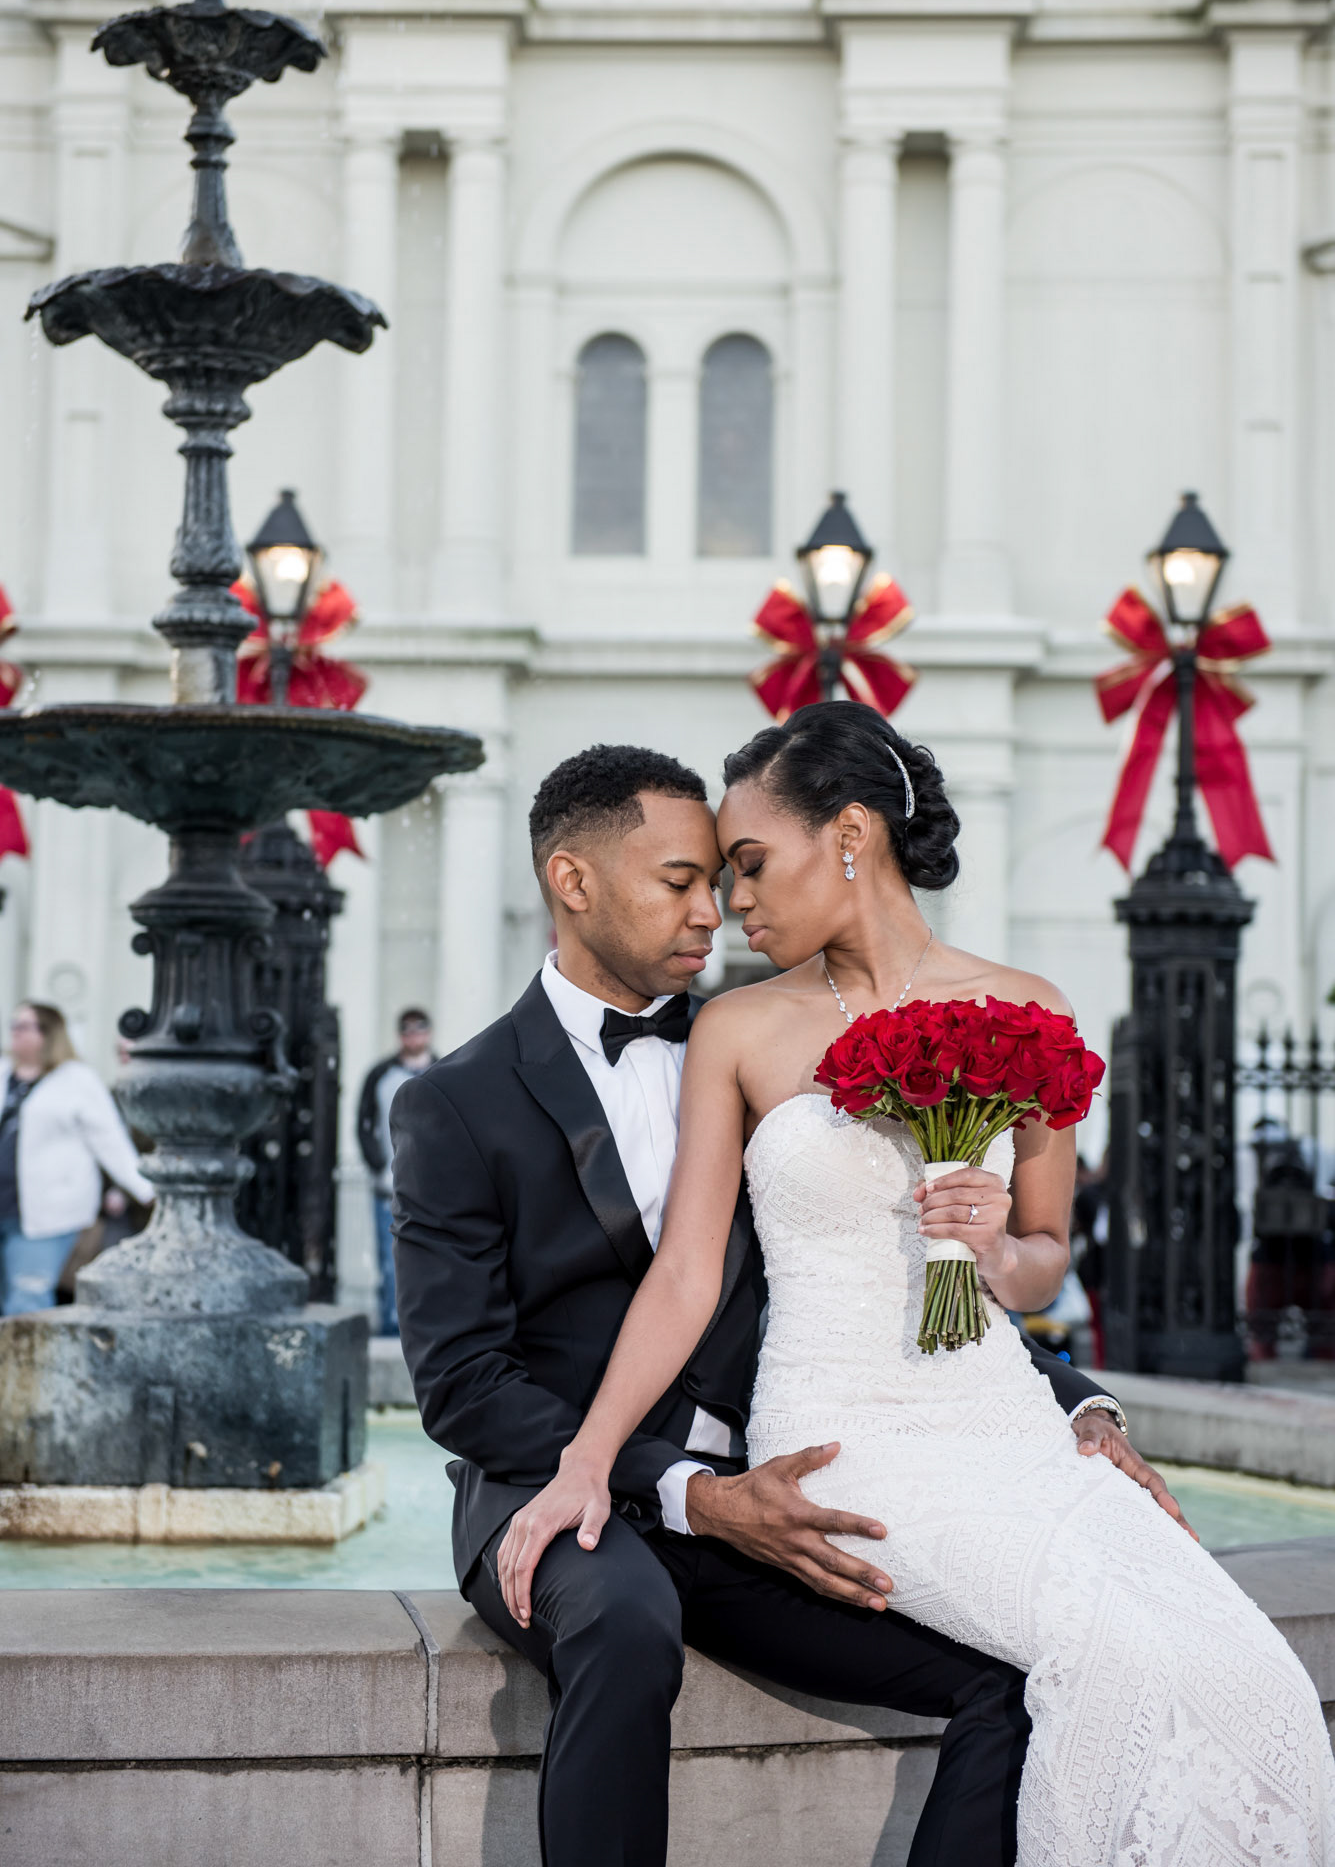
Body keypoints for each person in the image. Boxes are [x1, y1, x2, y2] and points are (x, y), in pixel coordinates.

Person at [502, 709, 1335, 1865]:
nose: (732, 903)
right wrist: (585, 1461)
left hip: (1007, 1426)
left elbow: (1046, 1256)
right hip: (850, 1433)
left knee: (1245, 1667)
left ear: (851, 833)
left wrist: (995, 1250)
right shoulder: (739, 1027)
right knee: (1101, 1653)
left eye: (750, 864)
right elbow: (689, 1270)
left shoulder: (1030, 1007)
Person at [0, 1000, 154, 1316]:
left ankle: (28, 1367)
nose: (14, 1033)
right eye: (13, 1025)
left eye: (23, 1026)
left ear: (48, 1033)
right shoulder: (4, 1074)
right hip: (3, 1204)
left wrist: (144, 1189)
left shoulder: (77, 1080)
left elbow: (110, 1141)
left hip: (46, 1214)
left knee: (27, 1301)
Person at [358, 1008, 435, 1336]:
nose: (413, 1036)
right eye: (407, 1030)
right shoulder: (380, 1075)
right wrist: (377, 1164)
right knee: (390, 1260)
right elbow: (364, 1124)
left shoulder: (444, 1069)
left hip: (434, 1188)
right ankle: (393, 1324)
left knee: (433, 1257)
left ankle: (428, 1325)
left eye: (419, 1030)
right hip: (387, 1185)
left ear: (428, 1033)